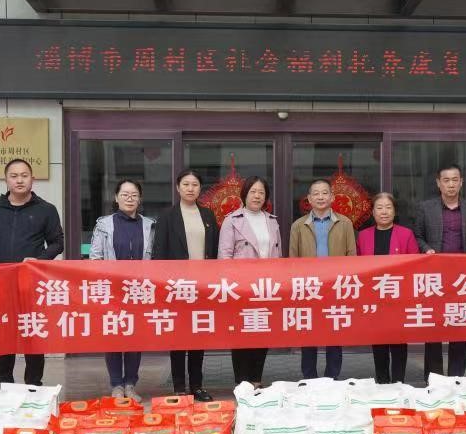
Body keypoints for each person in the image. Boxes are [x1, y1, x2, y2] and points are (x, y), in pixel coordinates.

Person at [0, 158, 64, 387]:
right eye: (14, 176)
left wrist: (39, 260)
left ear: (33, 179)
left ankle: (34, 384)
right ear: (6, 180)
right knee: (4, 334)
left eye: (24, 175)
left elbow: (57, 243)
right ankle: (5, 384)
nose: (19, 180)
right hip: (0, 282)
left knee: (33, 331)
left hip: (31, 282)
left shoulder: (46, 209)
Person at [153, 170, 218, 401]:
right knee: (178, 337)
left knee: (198, 336)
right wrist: (163, 286)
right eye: (186, 184)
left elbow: (214, 252)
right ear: (178, 188)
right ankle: (179, 386)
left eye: (195, 184)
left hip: (202, 286)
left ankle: (197, 385)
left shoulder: (208, 215)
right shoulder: (167, 216)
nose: (191, 188)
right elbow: (159, 253)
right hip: (177, 287)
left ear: (200, 188)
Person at [89, 179, 155, 402]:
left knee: (135, 338)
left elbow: (154, 258)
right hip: (112, 290)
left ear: (140, 199)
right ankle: (116, 384)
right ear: (116, 198)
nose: (129, 198)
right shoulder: (104, 225)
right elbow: (95, 258)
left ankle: (130, 384)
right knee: (114, 337)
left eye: (134, 195)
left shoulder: (149, 225)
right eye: (125, 194)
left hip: (138, 290)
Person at [413, 164, 466, 380]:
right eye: (446, 180)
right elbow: (417, 236)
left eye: (455, 180)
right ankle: (434, 378)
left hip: (461, 277)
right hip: (435, 277)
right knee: (434, 328)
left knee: (459, 325)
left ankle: (456, 377)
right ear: (438, 183)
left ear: (461, 182)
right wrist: (426, 249)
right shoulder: (425, 208)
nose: (451, 184)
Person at [218, 176, 282, 388]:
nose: (257, 196)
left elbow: (278, 255)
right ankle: (242, 382)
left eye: (261, 192)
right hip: (242, 288)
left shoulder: (272, 221)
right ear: (244, 194)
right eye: (253, 191)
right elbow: (224, 257)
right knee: (242, 334)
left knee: (263, 332)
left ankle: (256, 379)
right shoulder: (232, 220)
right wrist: (230, 286)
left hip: (266, 287)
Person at [289, 179, 357, 379]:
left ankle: (332, 378)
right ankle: (309, 377)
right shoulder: (298, 226)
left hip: (335, 286)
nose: (320, 197)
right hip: (308, 287)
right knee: (308, 333)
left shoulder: (344, 223)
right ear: (309, 199)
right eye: (316, 193)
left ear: (332, 197)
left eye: (325, 193)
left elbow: (351, 257)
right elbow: (293, 260)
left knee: (334, 333)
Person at [357, 193, 419, 383]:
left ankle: (399, 381)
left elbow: (416, 264)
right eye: (379, 208)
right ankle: (382, 381)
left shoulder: (406, 234)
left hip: (399, 296)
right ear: (373, 212)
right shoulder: (363, 236)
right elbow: (357, 266)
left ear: (394, 211)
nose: (384, 212)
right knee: (379, 341)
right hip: (374, 296)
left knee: (399, 341)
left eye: (388, 207)